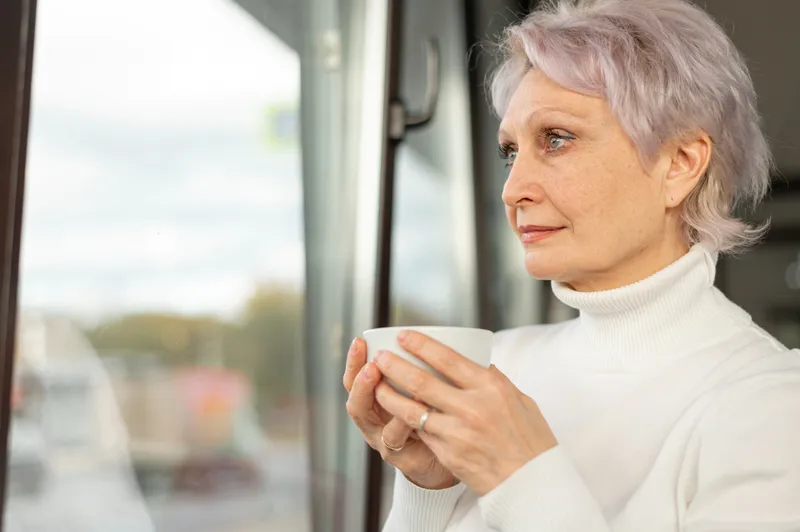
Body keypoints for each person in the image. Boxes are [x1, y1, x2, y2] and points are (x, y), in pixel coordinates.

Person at [344, 0, 800, 530]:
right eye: (510, 152)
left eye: (556, 139)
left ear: (680, 165)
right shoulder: (498, 367)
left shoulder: (771, 405)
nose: (513, 190)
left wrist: (520, 474)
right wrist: (428, 489)